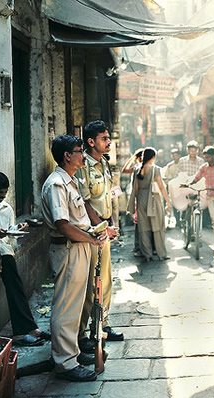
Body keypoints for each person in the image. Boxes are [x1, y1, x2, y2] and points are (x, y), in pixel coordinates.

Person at [41, 134, 107, 382]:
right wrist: (91, 239)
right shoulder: (57, 183)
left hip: (78, 246)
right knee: (67, 307)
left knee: (77, 305)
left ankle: (72, 354)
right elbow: (63, 224)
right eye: (79, 150)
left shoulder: (70, 181)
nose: (83, 155)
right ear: (67, 155)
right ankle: (64, 363)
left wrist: (96, 232)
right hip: (69, 248)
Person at [0, 172, 50, 346]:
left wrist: (17, 228)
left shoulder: (7, 208)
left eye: (4, 193)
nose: (2, 197)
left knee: (14, 282)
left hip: (2, 252)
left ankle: (26, 329)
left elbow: (9, 236)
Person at [75, 120, 122, 356]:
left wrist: (111, 222)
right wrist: (101, 226)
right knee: (91, 284)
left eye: (109, 137)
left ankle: (101, 326)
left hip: (105, 228)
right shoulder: (83, 165)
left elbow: (107, 196)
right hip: (92, 232)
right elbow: (84, 201)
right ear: (91, 141)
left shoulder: (104, 162)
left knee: (106, 280)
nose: (109, 142)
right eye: (104, 138)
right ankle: (82, 334)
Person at [127, 147, 172, 261]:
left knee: (144, 228)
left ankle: (147, 255)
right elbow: (161, 187)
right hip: (153, 200)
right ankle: (161, 254)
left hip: (141, 199)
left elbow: (135, 189)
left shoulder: (137, 170)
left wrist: (135, 204)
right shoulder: (155, 169)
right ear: (153, 157)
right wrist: (168, 201)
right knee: (157, 226)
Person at [185, 146, 214, 243]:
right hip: (210, 197)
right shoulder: (204, 167)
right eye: (206, 157)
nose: (207, 159)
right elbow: (197, 178)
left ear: (213, 156)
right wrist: (188, 183)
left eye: (209, 157)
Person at [123, 148, 144, 253]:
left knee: (139, 222)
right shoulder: (137, 167)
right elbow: (124, 170)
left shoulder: (143, 167)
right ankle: (138, 245)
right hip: (137, 196)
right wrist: (132, 158)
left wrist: (132, 158)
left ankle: (140, 245)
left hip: (139, 196)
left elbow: (124, 170)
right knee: (138, 221)